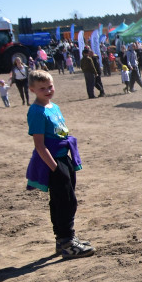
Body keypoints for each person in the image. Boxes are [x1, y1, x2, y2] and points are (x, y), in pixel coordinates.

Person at [24, 70, 94, 259]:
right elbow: (39, 145)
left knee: (63, 200)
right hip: (52, 161)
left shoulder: (53, 106)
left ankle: (63, 241)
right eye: (42, 88)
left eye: (50, 86)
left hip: (64, 158)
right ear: (32, 89)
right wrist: (55, 168)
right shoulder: (36, 111)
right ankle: (68, 242)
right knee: (65, 201)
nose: (48, 91)